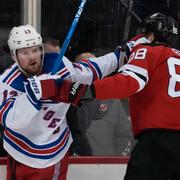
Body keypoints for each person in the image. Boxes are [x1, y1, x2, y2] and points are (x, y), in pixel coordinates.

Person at [56, 12, 180, 180]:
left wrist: (84, 90)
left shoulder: (147, 51)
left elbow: (128, 82)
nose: (142, 37)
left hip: (157, 144)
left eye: (146, 33)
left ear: (153, 34)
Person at [0, 24, 123, 180]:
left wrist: (119, 57)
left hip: (52, 155)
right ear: (14, 56)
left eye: (35, 50)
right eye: (25, 52)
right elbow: (12, 120)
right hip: (18, 153)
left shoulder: (59, 67)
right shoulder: (7, 83)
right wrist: (36, 91)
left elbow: (89, 69)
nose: (32, 57)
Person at [75, 52, 134, 156]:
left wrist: (115, 161)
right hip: (72, 167)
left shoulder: (113, 102)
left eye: (93, 70)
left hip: (106, 168)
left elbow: (125, 136)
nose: (89, 75)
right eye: (84, 70)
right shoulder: (64, 103)